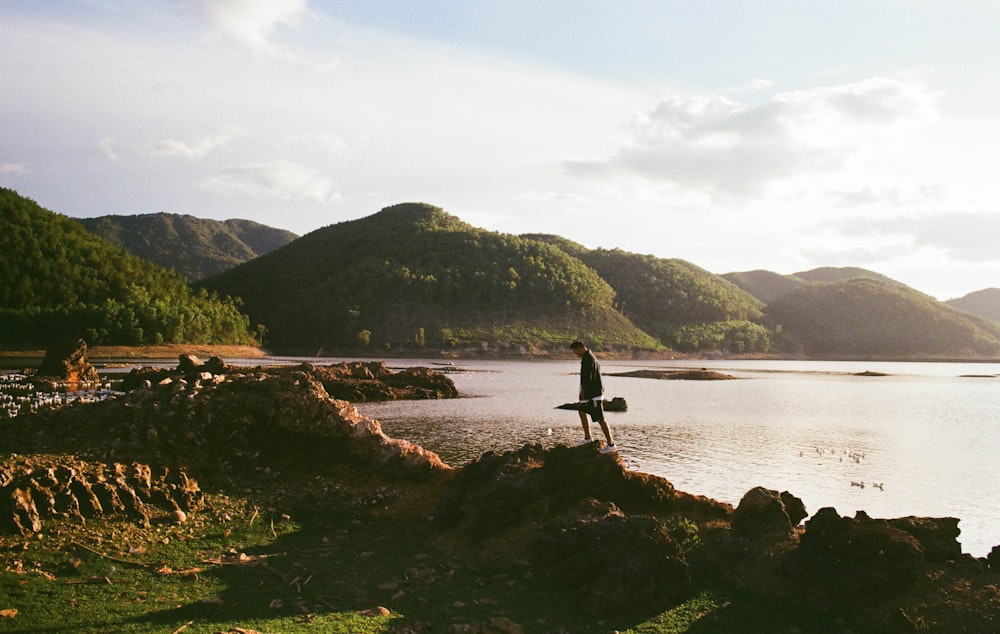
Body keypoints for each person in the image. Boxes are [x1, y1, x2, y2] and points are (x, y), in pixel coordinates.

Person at [570, 340, 617, 453]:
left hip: (593, 394)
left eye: (576, 352)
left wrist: (583, 392)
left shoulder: (589, 359)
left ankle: (611, 444)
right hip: (589, 393)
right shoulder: (587, 358)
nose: (576, 355)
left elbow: (589, 377)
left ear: (581, 348)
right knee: (581, 411)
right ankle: (587, 438)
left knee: (600, 419)